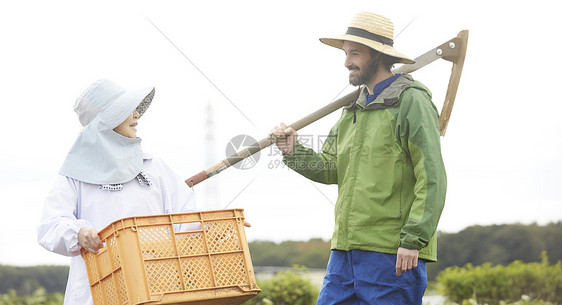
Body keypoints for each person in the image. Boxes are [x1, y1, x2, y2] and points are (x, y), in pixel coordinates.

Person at [270, 12, 447, 304]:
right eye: (345, 53)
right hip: (345, 251)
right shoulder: (351, 110)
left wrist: (414, 240)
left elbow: (432, 176)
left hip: (392, 252)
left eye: (355, 54)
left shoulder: (411, 101)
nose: (347, 62)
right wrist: (293, 150)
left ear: (378, 56)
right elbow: (330, 169)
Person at [37, 79, 197, 305]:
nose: (136, 115)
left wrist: (217, 228)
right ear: (104, 122)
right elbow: (50, 226)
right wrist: (80, 233)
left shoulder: (155, 167)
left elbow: (188, 217)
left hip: (157, 290)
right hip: (96, 294)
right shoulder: (73, 175)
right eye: (125, 110)